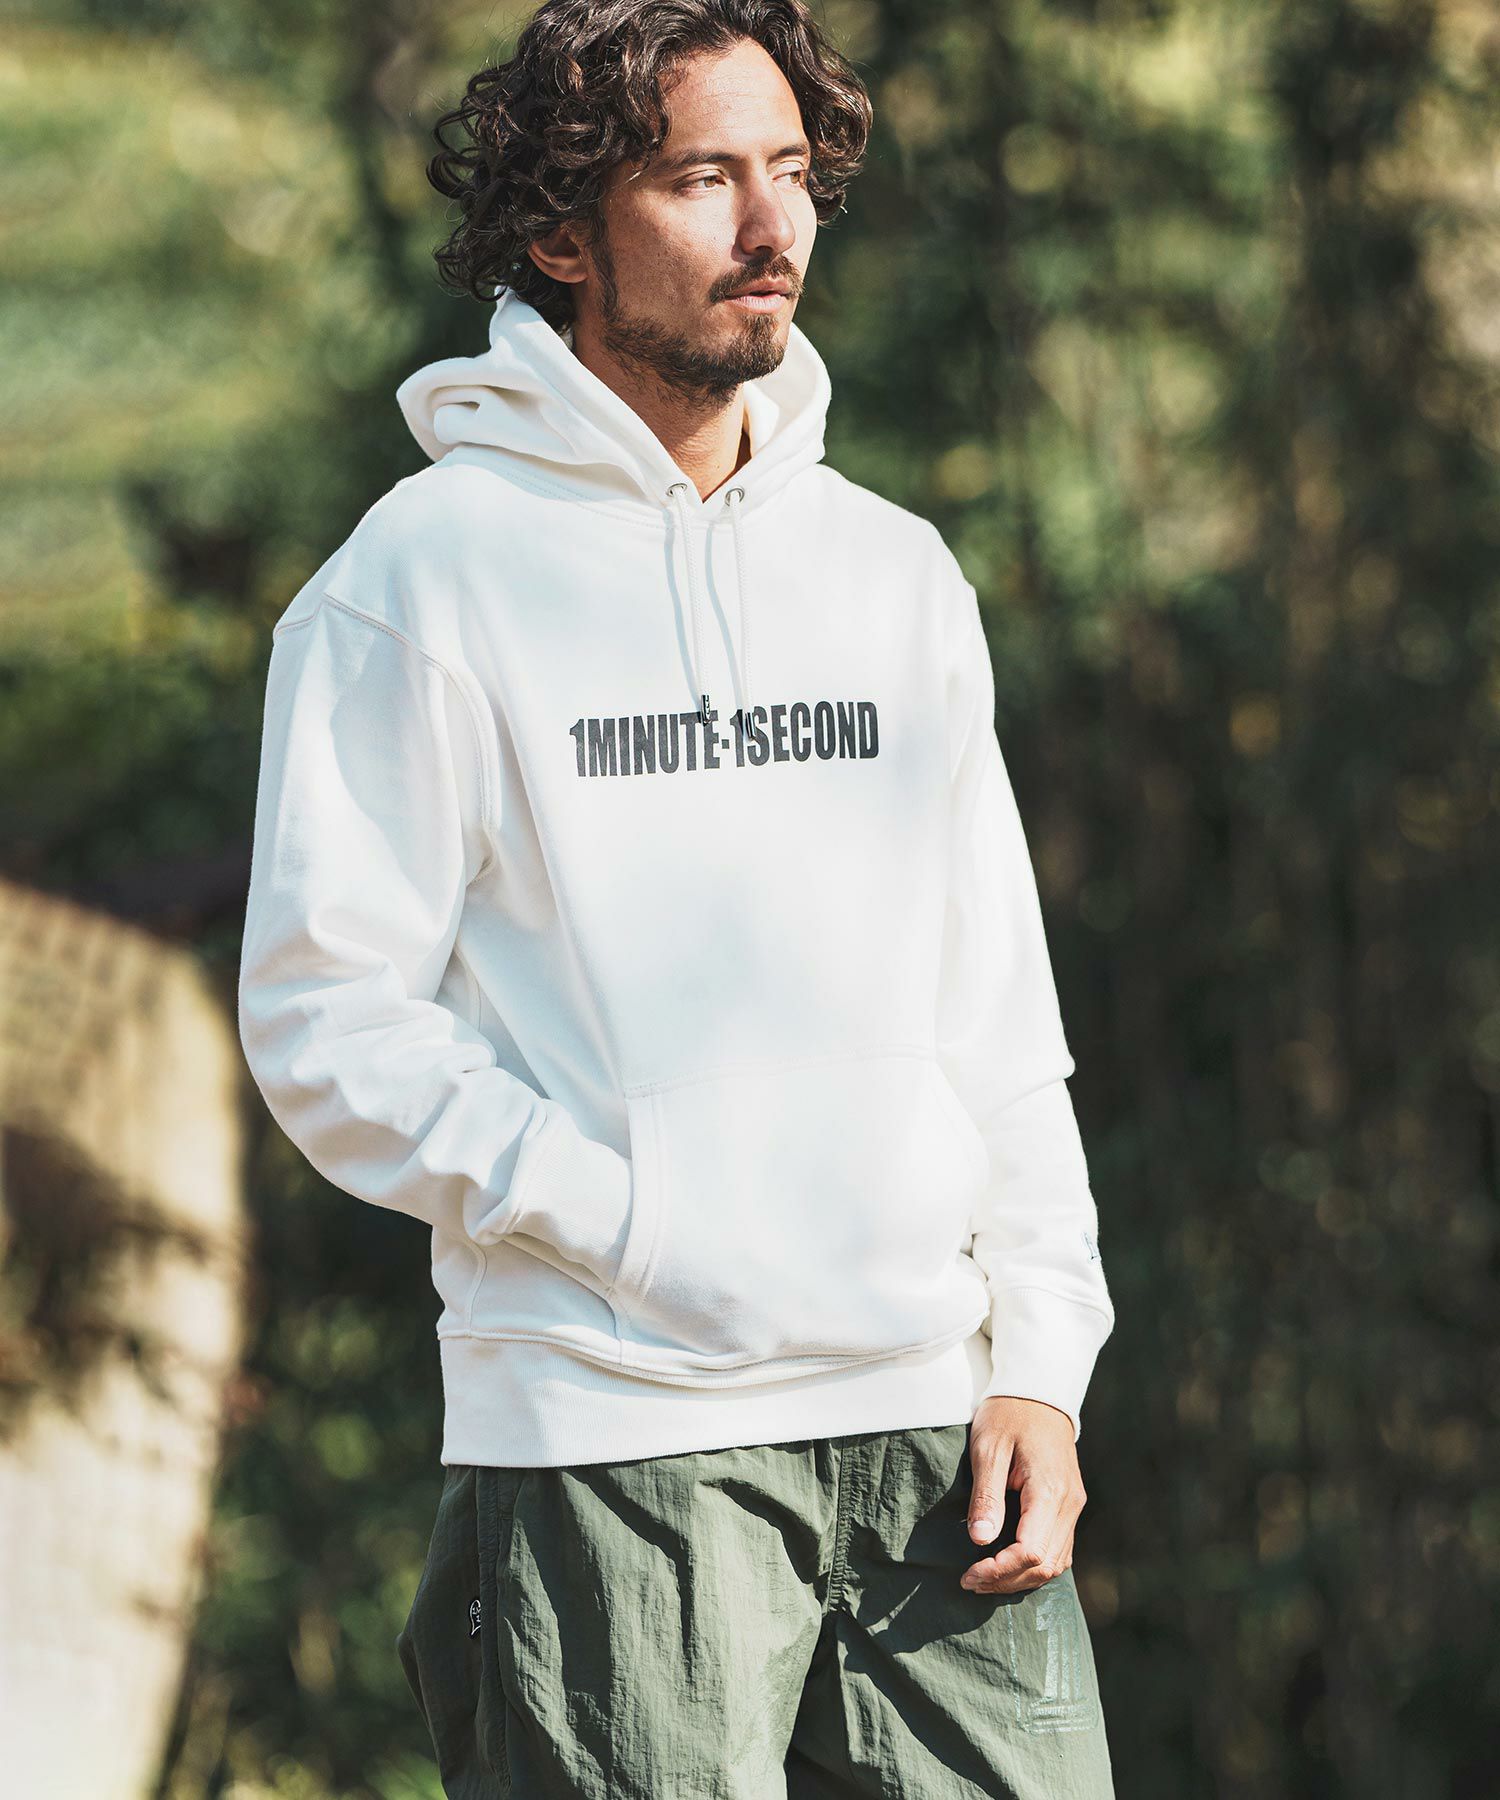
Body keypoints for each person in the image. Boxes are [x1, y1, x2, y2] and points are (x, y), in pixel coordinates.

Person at [236, 1, 1118, 1793]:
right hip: (610, 1440)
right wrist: (630, 1226)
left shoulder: (893, 574)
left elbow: (997, 1015)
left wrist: (1040, 1355)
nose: (772, 226)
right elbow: (327, 1023)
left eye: (790, 172)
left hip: (934, 1435)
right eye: (704, 179)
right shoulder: (421, 581)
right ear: (563, 233)